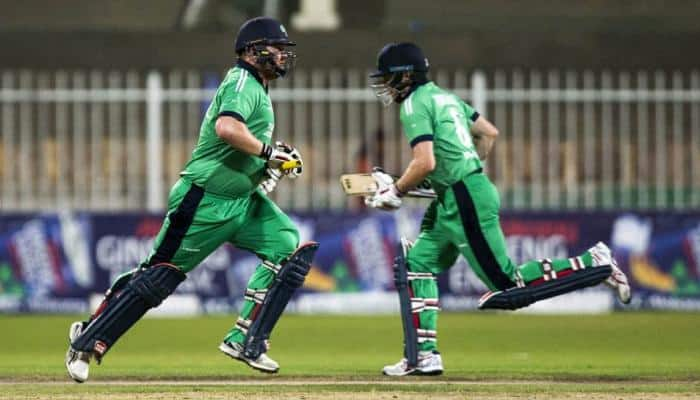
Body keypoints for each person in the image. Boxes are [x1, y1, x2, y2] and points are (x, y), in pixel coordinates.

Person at [65, 16, 318, 382]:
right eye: (275, 48)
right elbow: (226, 128)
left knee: (289, 250)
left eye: (283, 50)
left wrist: (274, 161)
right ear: (251, 51)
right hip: (204, 200)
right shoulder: (241, 81)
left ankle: (246, 338)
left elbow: (244, 147)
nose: (282, 55)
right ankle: (86, 339)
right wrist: (267, 153)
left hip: (242, 202)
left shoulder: (258, 89)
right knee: (157, 279)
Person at [364, 42, 632, 376]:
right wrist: (462, 171)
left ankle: (594, 263)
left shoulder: (414, 105)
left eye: (389, 78)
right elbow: (489, 134)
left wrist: (397, 189)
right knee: (417, 263)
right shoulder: (445, 97)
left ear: (405, 75)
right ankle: (424, 355)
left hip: (464, 197)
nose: (386, 87)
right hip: (459, 192)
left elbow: (426, 161)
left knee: (508, 287)